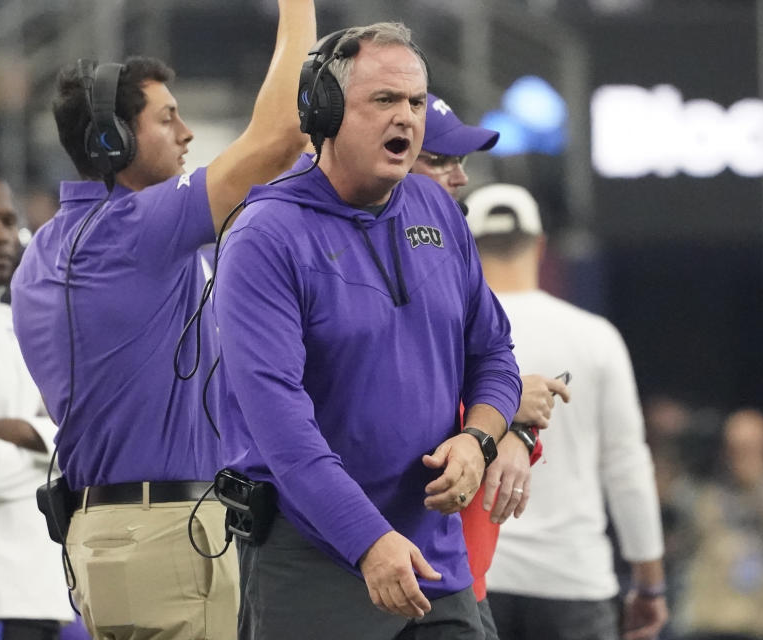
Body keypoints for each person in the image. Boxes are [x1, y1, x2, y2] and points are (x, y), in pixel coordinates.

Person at [8, 2, 317, 638]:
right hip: (173, 533)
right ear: (110, 140)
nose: (186, 134)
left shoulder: (39, 254)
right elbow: (283, 134)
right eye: (167, 118)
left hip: (95, 542)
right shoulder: (135, 230)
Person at [213, 23, 522, 639]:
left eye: (413, 102)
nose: (404, 118)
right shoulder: (264, 237)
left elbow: (493, 355)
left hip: (436, 565)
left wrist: (478, 440)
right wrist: (367, 540)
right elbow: (283, 431)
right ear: (325, 113)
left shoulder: (437, 210)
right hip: (314, 564)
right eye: (383, 101)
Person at [464, 183, 669, 640]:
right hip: (574, 579)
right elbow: (627, 466)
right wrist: (650, 584)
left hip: (475, 577)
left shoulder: (451, 334)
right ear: (540, 246)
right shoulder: (595, 336)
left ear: (466, 247)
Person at [410, 93, 571, 640]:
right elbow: (400, 407)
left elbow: (501, 387)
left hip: (462, 572)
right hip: (399, 568)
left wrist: (514, 431)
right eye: (439, 161)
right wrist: (498, 423)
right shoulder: (370, 265)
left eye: (461, 163)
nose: (459, 178)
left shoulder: (452, 268)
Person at [0, 168, 74, 639]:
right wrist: (49, 448)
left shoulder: (35, 325)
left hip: (49, 591)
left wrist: (20, 431)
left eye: (7, 221)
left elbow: (78, 438)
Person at [670, 408, 763, 640]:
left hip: (759, 623)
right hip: (705, 622)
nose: (741, 456)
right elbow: (677, 532)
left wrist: (760, 488)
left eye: (749, 448)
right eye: (735, 448)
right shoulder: (699, 490)